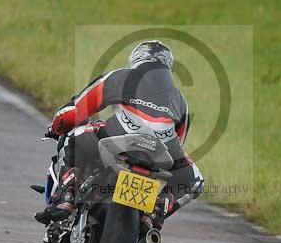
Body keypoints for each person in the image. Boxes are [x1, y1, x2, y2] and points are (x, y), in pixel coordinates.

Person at [34, 40, 203, 229]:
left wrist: (57, 126)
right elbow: (179, 141)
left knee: (73, 135)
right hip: (160, 152)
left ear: (136, 59)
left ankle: (67, 196)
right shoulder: (180, 100)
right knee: (195, 180)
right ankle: (157, 210)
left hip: (119, 136)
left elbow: (76, 110)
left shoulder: (120, 76)